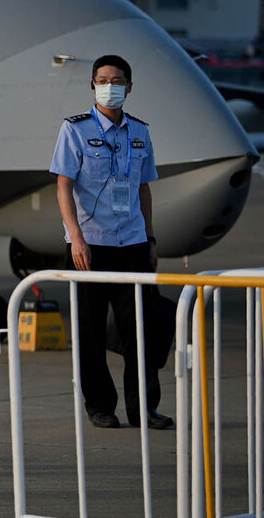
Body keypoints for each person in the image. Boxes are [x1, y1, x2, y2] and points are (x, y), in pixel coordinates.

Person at [50, 54, 172, 431]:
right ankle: (100, 405)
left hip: (132, 242)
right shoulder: (74, 130)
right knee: (89, 330)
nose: (109, 86)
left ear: (129, 87)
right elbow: (63, 186)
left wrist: (150, 238)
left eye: (117, 80)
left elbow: (144, 188)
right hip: (91, 244)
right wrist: (76, 239)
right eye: (102, 80)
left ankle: (143, 409)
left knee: (141, 330)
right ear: (92, 86)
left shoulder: (140, 132)